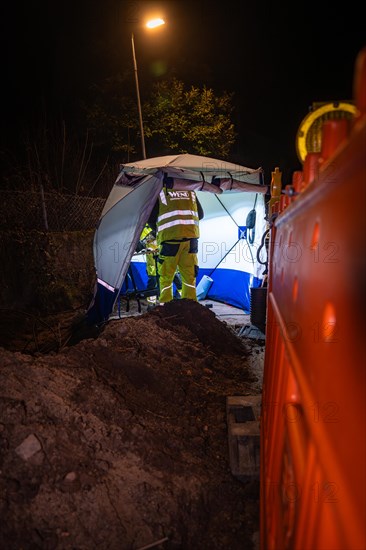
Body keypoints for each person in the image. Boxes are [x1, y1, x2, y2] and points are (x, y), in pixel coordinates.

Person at [148, 182, 204, 303]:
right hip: (191, 240)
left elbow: (150, 218)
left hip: (170, 240)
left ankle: (166, 306)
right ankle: (190, 306)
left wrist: (156, 230)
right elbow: (201, 214)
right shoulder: (190, 191)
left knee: (166, 276)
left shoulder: (161, 191)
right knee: (189, 275)